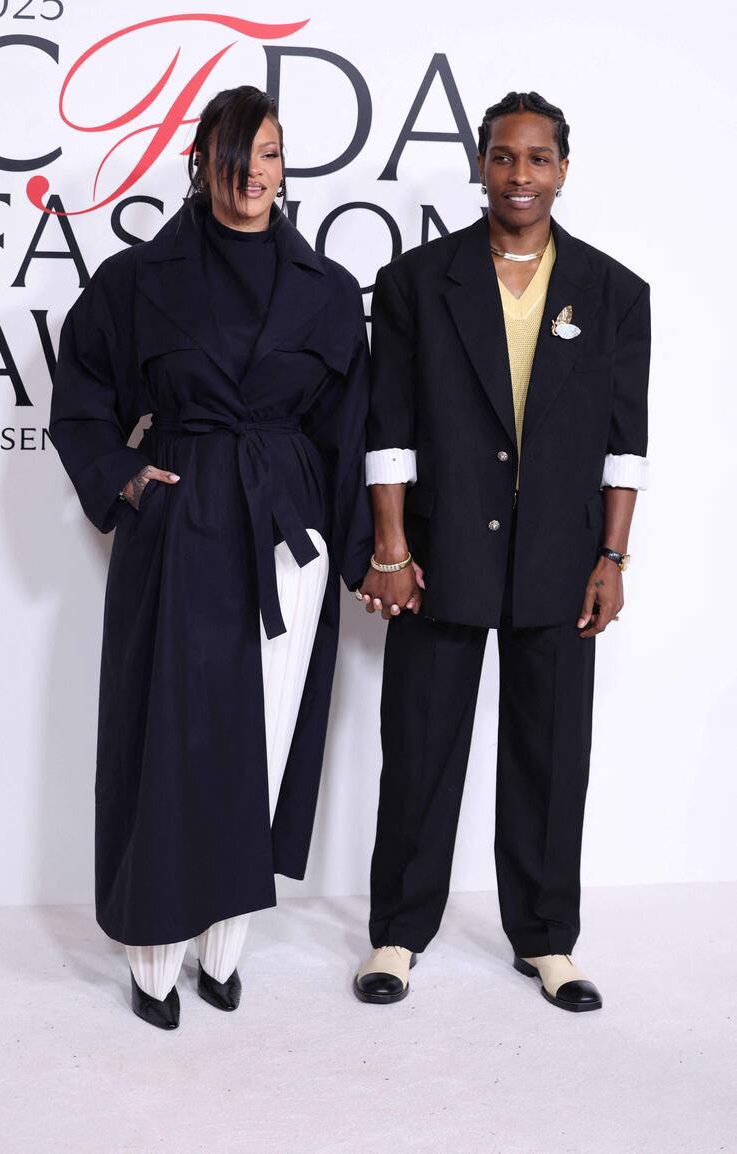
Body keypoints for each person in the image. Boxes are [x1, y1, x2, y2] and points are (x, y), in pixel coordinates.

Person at [50, 86, 371, 1029]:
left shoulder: (325, 288)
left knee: (261, 739)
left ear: (284, 164)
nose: (252, 176)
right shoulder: (138, 280)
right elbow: (82, 396)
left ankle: (225, 945)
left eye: (268, 154)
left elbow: (347, 428)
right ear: (200, 163)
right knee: (173, 740)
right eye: (235, 157)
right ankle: (155, 949)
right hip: (183, 525)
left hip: (287, 532)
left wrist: (365, 554)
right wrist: (126, 477)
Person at [353, 92, 650, 1012]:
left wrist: (613, 558)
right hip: (443, 553)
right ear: (481, 165)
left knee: (553, 756)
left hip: (563, 562)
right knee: (419, 749)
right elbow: (389, 428)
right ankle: (398, 936)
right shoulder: (415, 282)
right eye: (503, 157)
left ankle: (546, 942)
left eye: (537, 159)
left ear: (564, 169)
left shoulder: (613, 292)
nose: (519, 175)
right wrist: (393, 548)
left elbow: (625, 443)